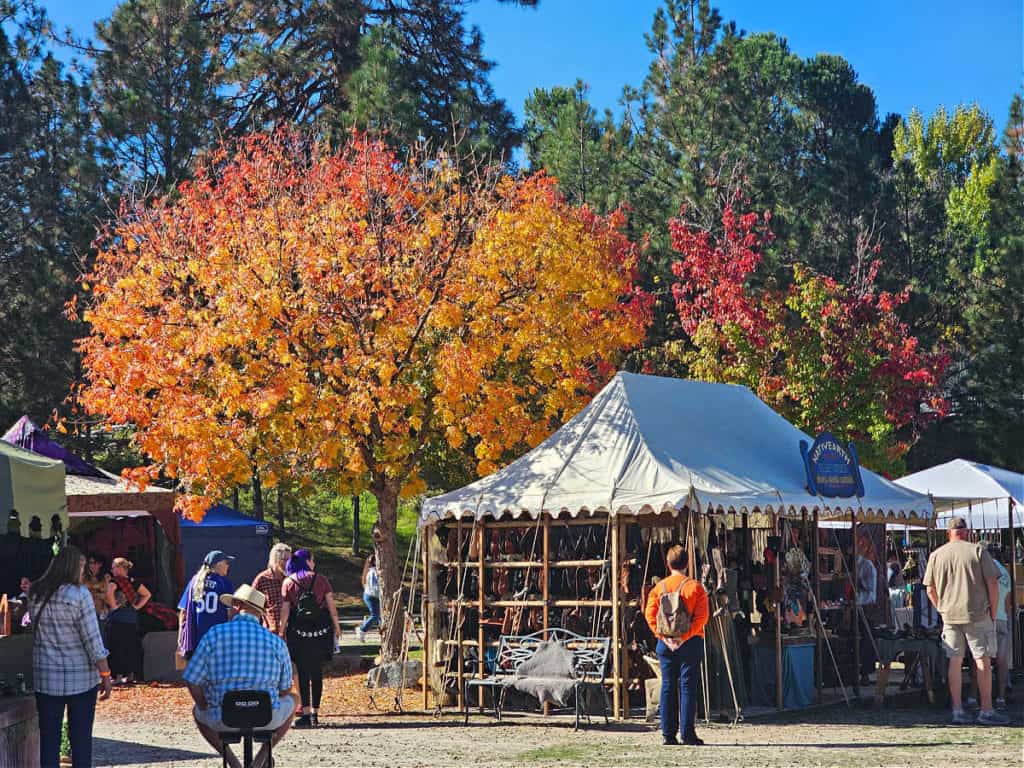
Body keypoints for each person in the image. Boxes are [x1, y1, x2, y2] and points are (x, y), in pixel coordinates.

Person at [183, 584, 297, 768]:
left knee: (198, 712)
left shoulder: (214, 635)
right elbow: (285, 689)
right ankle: (260, 760)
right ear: (260, 613)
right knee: (294, 699)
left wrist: (203, 703)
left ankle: (234, 763)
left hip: (223, 717)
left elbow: (191, 678)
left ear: (237, 605)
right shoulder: (275, 641)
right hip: (265, 716)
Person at [29, 545, 112, 768]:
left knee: (48, 739)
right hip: (80, 678)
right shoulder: (79, 594)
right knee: (81, 740)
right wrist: (105, 673)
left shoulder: (36, 592)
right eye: (82, 566)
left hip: (46, 676)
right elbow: (92, 640)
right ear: (73, 567)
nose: (83, 572)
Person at [923, 517, 1010, 726]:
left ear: (948, 533)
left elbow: (929, 589)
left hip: (950, 617)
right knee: (983, 660)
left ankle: (957, 710)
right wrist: (991, 610)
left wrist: (942, 610)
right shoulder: (978, 551)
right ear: (967, 532)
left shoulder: (936, 555)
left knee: (954, 661)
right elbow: (993, 583)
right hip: (978, 614)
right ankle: (986, 710)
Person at [644, 544, 709, 746]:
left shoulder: (658, 588)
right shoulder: (695, 587)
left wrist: (663, 637)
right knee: (688, 686)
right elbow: (702, 617)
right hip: (690, 642)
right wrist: (684, 636)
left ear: (668, 563)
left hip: (665, 643)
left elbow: (649, 614)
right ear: (687, 564)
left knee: (668, 685)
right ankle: (687, 734)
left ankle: (667, 734)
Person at [279, 549, 341, 728]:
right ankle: (316, 713)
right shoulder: (321, 580)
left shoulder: (288, 582)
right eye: (312, 560)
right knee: (317, 672)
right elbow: (331, 606)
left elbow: (285, 610)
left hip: (299, 631)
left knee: (303, 672)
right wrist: (337, 627)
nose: (314, 563)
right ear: (307, 561)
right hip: (321, 630)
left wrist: (281, 631)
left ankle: (305, 713)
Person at [967, 544, 1012, 711]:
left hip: (986, 617)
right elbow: (1007, 603)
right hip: (1002, 619)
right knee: (1001, 662)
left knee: (979, 659)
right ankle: (1000, 697)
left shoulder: (984, 569)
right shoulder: (1006, 573)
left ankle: (973, 696)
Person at [178, 551, 236, 659]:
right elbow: (230, 614)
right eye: (226, 563)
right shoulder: (224, 583)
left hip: (197, 641)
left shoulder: (194, 582)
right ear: (218, 564)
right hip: (217, 641)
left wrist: (181, 638)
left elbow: (183, 613)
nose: (228, 566)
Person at [111, 556, 178, 633]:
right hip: (131, 613)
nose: (112, 571)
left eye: (113, 568)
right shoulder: (130, 581)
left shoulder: (120, 582)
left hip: (128, 614)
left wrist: (115, 608)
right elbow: (147, 594)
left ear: (120, 568)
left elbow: (147, 594)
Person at [105, 587, 144, 685]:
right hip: (131, 622)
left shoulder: (114, 585)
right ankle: (130, 675)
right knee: (131, 649)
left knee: (117, 650)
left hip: (117, 623)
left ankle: (118, 677)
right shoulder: (131, 586)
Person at [252, 543, 292, 636]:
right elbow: (251, 606)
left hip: (292, 633)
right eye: (285, 560)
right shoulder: (262, 579)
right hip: (270, 633)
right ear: (275, 559)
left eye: (290, 560)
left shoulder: (292, 579)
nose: (288, 563)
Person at [855, 533, 878, 685]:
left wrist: (857, 582)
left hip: (865, 605)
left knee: (865, 641)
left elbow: (869, 588)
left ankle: (865, 673)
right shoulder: (856, 563)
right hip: (856, 605)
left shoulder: (867, 566)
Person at [356, 553, 381, 643]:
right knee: (375, 615)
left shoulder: (375, 571)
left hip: (375, 596)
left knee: (381, 617)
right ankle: (362, 630)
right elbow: (375, 588)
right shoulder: (373, 572)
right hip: (371, 597)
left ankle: (383, 635)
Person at [83, 555, 111, 621]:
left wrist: (92, 592)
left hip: (101, 612)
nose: (92, 565)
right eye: (90, 563)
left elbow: (107, 596)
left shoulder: (106, 577)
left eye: (94, 563)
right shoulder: (83, 577)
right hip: (86, 612)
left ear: (100, 564)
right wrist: (98, 592)